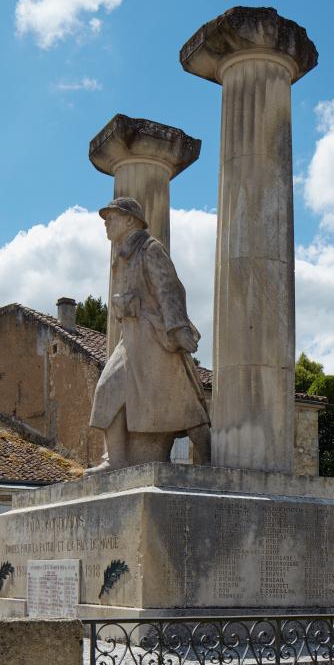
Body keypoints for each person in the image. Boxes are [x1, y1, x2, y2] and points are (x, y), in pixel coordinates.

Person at [86, 197, 210, 472]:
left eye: (112, 218)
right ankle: (115, 460)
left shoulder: (150, 248)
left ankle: (208, 458)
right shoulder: (122, 254)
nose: (107, 224)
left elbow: (170, 289)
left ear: (130, 220)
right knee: (107, 390)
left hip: (153, 335)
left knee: (183, 401)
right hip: (130, 337)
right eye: (106, 219)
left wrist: (177, 329)